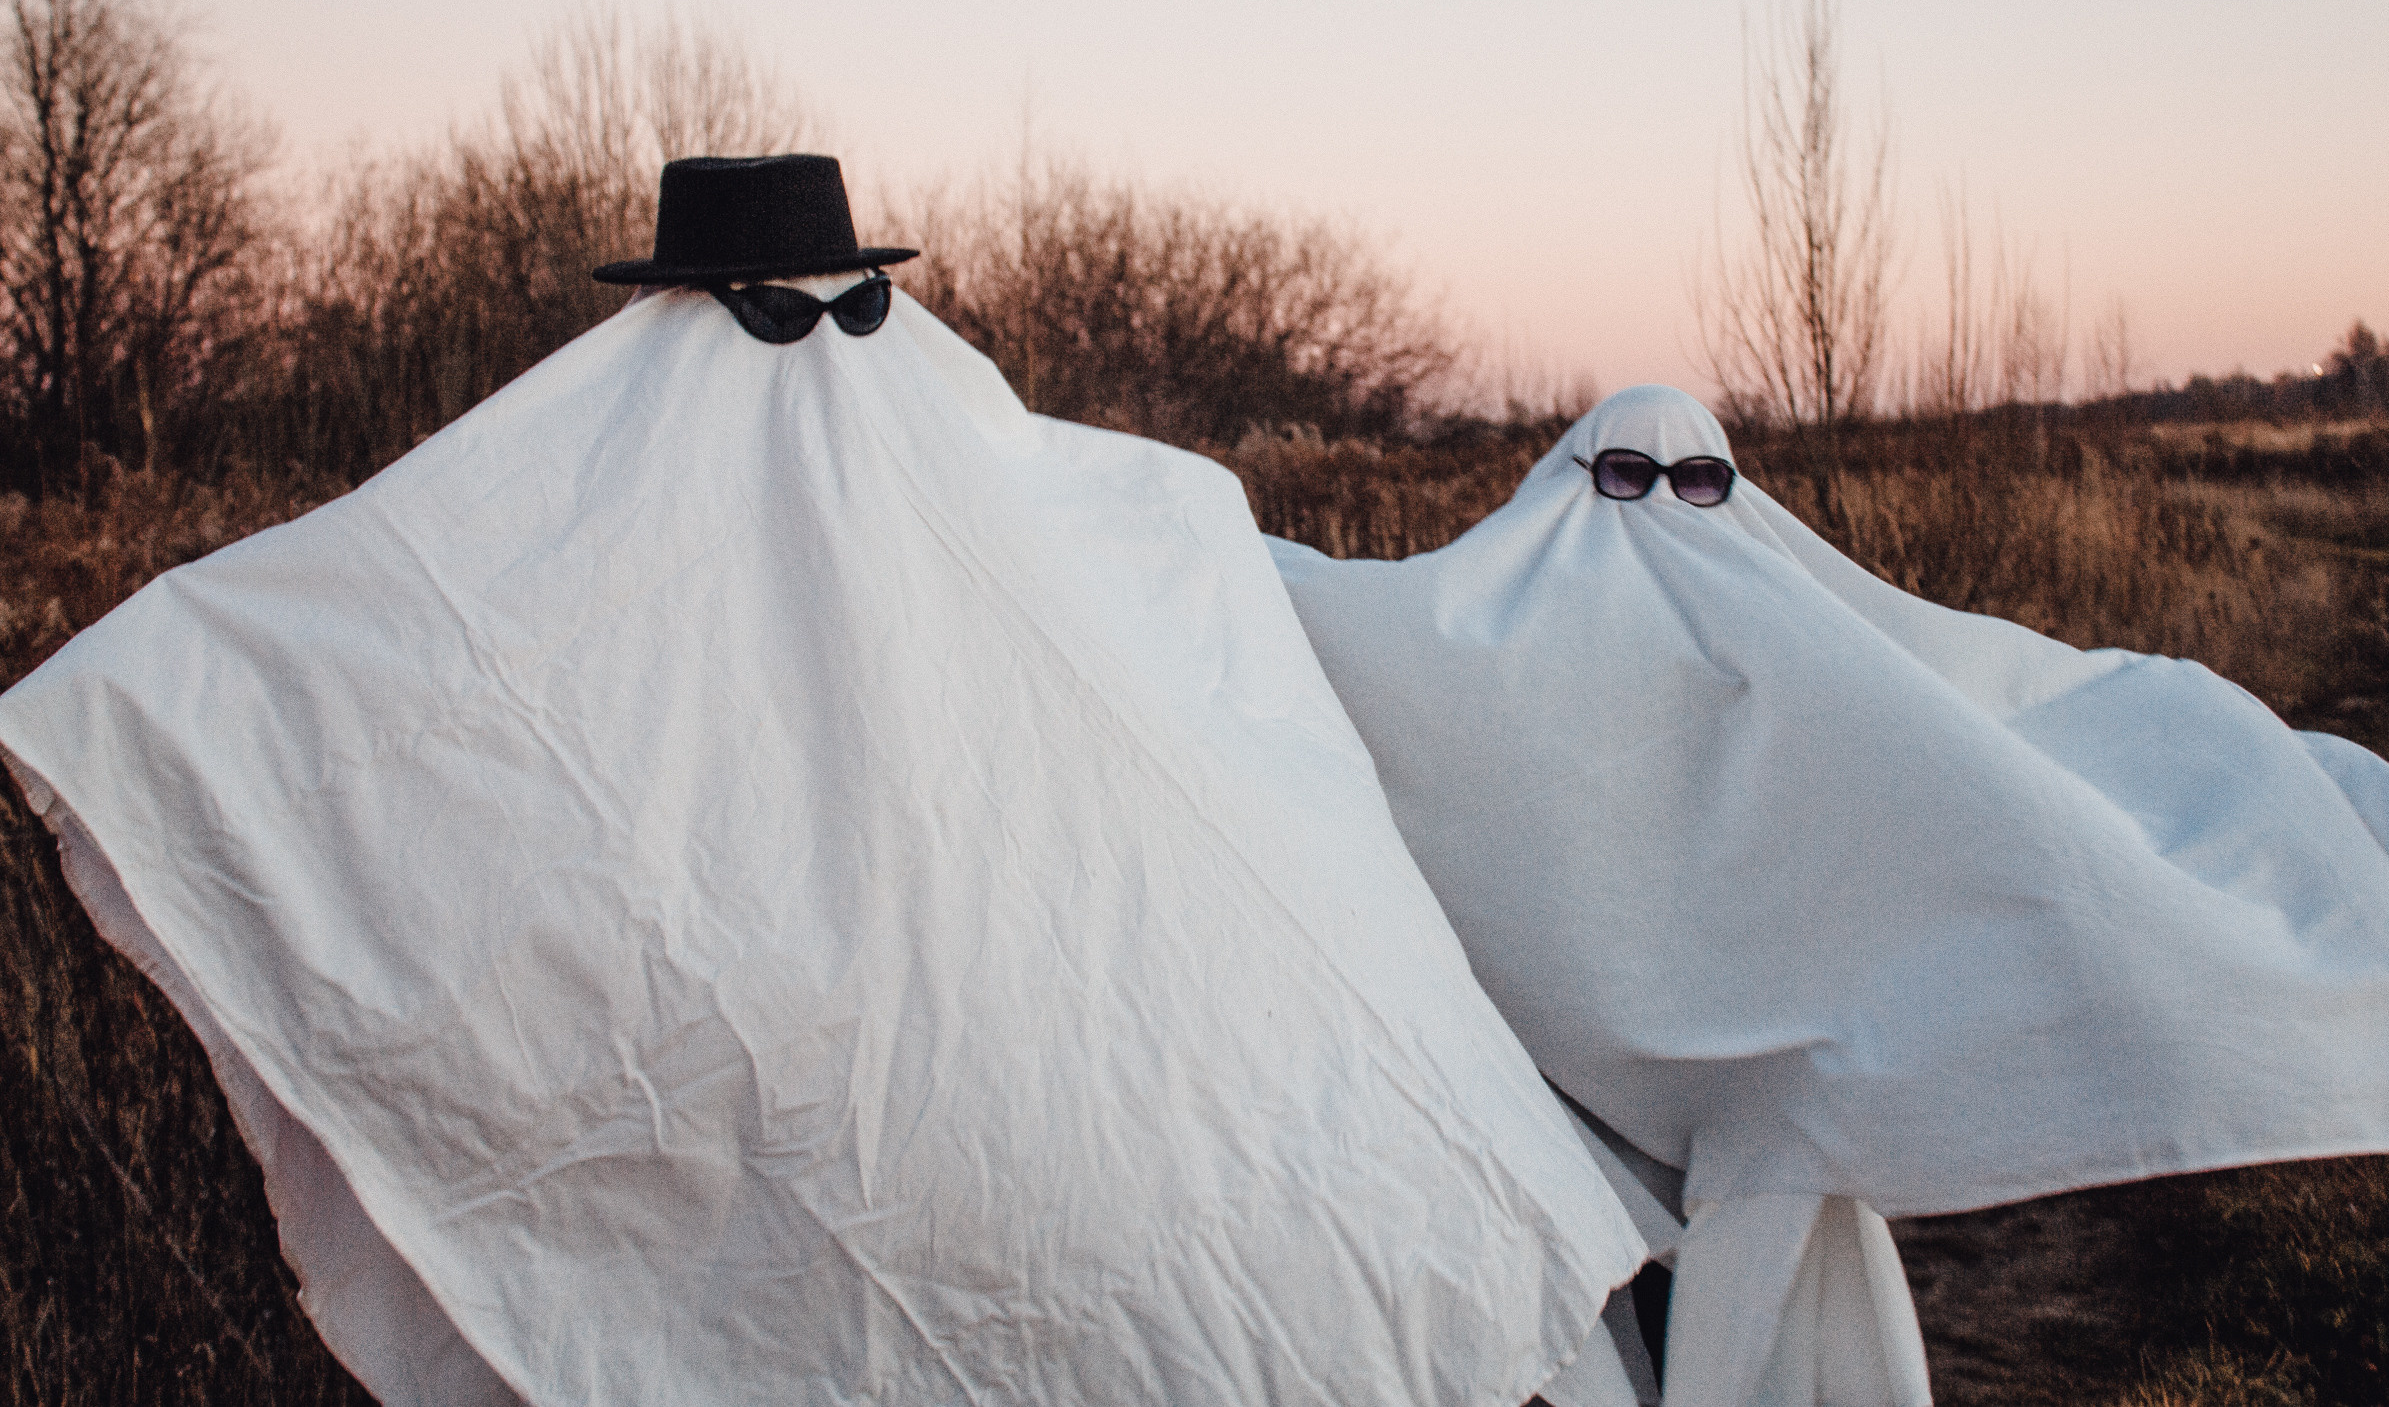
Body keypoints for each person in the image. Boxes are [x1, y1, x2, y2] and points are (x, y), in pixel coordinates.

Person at [0, 156, 1646, 1406]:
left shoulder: (946, 474)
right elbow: (409, 631)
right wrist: (139, 712)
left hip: (1007, 1064)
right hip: (883, 1076)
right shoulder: (680, 457)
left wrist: (129, 705)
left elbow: (424, 629)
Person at [1267, 382, 2389, 1407]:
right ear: (1560, 491)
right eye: (1623, 479)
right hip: (1565, 1155)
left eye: (1700, 482)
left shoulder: (1826, 670)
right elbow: (1327, 623)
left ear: (1738, 492)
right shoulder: (1483, 660)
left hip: (1770, 1149)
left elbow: (1997, 743)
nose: (1663, 511)